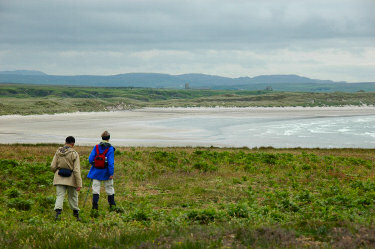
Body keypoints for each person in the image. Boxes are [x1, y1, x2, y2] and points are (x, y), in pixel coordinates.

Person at [50, 136, 82, 221]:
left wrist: (57, 172)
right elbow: (76, 170)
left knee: (60, 196)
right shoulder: (74, 153)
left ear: (65, 142)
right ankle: (76, 215)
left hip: (59, 177)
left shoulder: (58, 152)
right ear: (73, 144)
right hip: (71, 178)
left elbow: (52, 166)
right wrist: (79, 184)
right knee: (73, 197)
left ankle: (58, 215)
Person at [87, 131, 116, 214]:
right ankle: (112, 206)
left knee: (95, 189)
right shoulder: (110, 148)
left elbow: (90, 159)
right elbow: (111, 163)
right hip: (106, 172)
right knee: (109, 188)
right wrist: (111, 173)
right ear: (109, 138)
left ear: (102, 138)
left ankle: (95, 207)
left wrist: (95, 165)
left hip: (96, 171)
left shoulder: (96, 147)